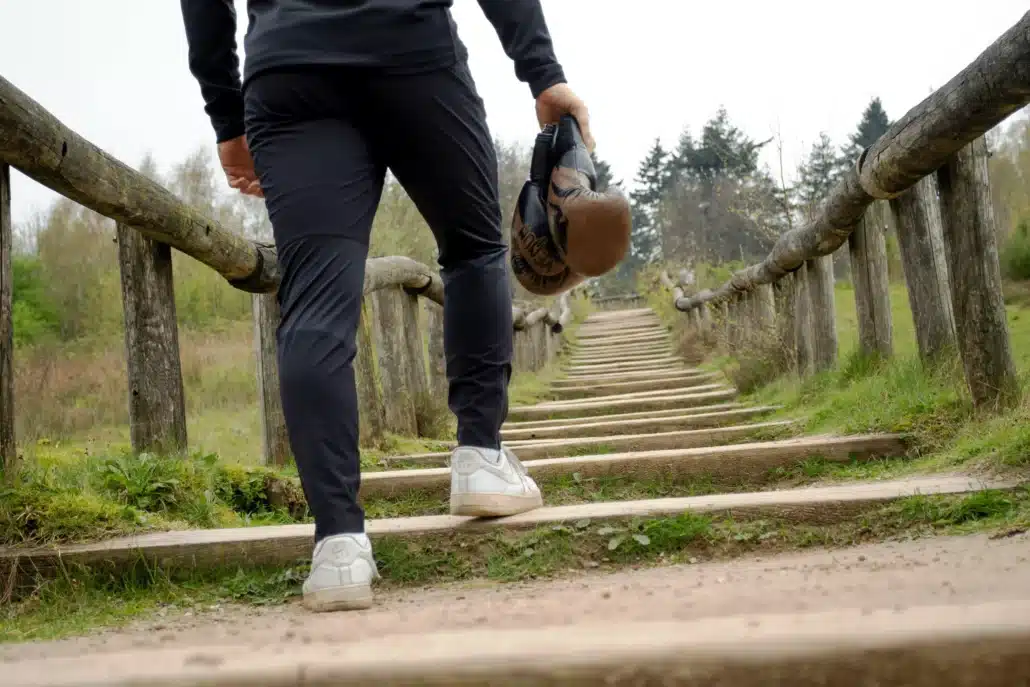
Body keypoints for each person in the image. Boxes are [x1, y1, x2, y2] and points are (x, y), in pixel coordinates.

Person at [179, 0, 593, 613]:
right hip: (412, 50)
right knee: (475, 248)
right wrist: (543, 71)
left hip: (291, 72)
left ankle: (339, 546)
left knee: (316, 301)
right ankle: (480, 454)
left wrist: (225, 112)